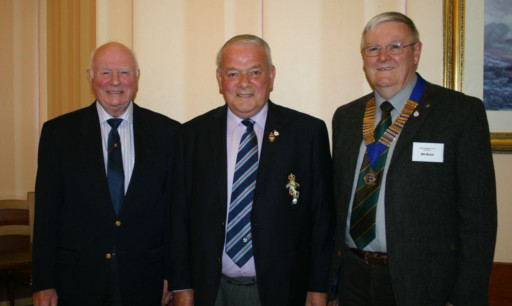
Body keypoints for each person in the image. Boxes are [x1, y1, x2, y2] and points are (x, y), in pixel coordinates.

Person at [329, 12, 497, 305]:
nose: (383, 57)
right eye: (373, 49)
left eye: (395, 46)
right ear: (363, 57)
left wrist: (466, 297)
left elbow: (478, 219)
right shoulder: (346, 117)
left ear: (416, 52)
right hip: (352, 279)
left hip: (424, 284)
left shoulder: (459, 114)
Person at [171, 34, 335, 305]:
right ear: (219, 79)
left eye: (255, 72)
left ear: (270, 76)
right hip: (210, 290)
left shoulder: (306, 134)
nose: (244, 83)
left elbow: (322, 221)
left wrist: (318, 289)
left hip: (282, 290)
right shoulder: (191, 136)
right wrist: (181, 286)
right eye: (233, 73)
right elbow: (178, 218)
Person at [32, 42, 182, 306]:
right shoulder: (58, 134)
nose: (115, 81)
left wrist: (173, 275)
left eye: (124, 72)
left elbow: (174, 214)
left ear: (137, 77)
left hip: (146, 279)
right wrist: (44, 282)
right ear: (90, 78)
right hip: (77, 280)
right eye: (105, 73)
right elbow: (46, 215)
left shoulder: (168, 133)